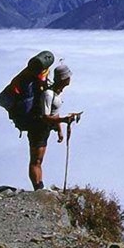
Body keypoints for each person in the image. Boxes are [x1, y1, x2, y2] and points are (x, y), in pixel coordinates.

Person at [28, 62, 76, 191]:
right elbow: (45, 116)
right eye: (68, 76)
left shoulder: (56, 93)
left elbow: (55, 113)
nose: (70, 78)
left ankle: (39, 187)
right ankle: (38, 189)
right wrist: (64, 120)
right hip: (38, 129)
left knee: (39, 160)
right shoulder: (48, 94)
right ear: (64, 78)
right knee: (36, 161)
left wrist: (59, 130)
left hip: (45, 129)